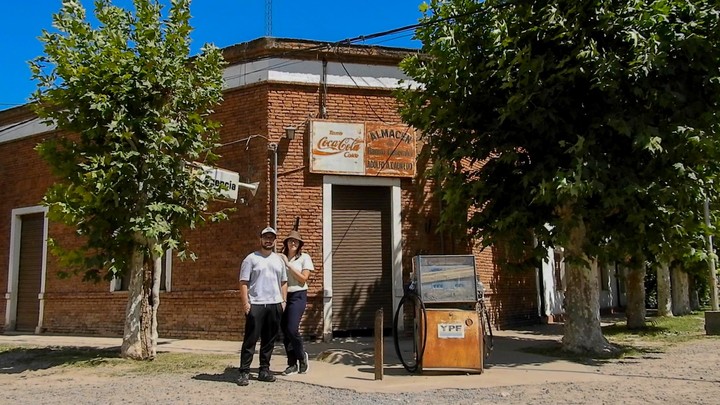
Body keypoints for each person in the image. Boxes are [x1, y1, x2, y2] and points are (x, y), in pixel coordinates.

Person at [237, 226, 288, 386]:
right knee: (250, 339)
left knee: (269, 340)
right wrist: (246, 303)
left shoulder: (278, 260)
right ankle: (244, 372)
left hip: (274, 304)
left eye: (271, 238)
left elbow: (284, 281)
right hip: (256, 304)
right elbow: (243, 282)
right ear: (260, 239)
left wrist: (283, 301)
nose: (268, 240)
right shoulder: (251, 259)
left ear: (274, 240)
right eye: (265, 237)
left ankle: (264, 370)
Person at [279, 230, 314, 375]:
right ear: (286, 243)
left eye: (296, 241)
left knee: (292, 328)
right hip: (282, 295)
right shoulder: (280, 258)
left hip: (298, 295)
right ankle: (292, 363)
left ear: (299, 244)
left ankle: (301, 356)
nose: (293, 243)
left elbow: (303, 278)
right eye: (290, 241)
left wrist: (288, 265)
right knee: (285, 331)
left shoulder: (304, 258)